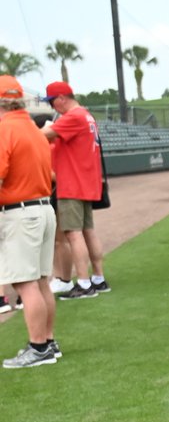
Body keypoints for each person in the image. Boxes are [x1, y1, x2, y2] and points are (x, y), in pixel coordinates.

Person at [0, 75, 60, 367]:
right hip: (44, 208)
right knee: (40, 282)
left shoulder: (4, 129)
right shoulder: (35, 130)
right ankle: (48, 343)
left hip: (21, 211)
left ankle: (38, 349)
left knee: (26, 285)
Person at [41, 81, 109, 298]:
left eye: (52, 102)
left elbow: (43, 135)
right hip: (86, 180)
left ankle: (83, 282)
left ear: (61, 98)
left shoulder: (73, 116)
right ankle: (98, 278)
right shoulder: (86, 115)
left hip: (72, 183)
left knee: (74, 234)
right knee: (88, 231)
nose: (53, 107)